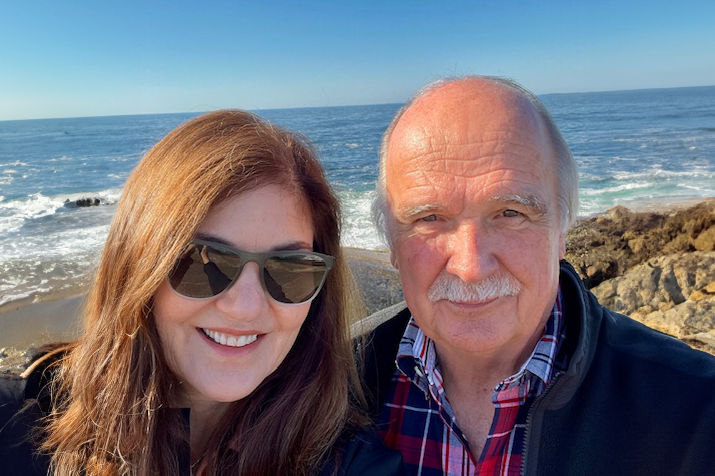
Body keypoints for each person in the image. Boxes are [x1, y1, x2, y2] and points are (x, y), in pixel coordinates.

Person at [0, 110, 405, 475]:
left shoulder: (345, 461)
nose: (245, 307)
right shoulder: (18, 426)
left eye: (291, 269)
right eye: (203, 262)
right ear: (139, 269)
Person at [360, 76, 715, 475]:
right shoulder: (326, 393)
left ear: (562, 229)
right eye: (429, 218)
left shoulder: (696, 412)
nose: (470, 266)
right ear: (391, 242)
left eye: (510, 213)